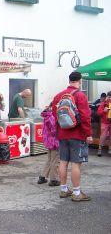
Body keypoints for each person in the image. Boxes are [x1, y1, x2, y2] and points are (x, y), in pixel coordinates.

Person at [52, 71, 92, 202]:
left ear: (69, 81)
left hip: (62, 134)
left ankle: (64, 190)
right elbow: (85, 116)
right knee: (76, 164)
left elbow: (54, 113)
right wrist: (89, 134)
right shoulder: (80, 95)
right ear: (79, 81)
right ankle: (76, 193)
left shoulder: (59, 95)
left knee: (63, 162)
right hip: (77, 134)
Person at [37, 103, 60, 186]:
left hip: (48, 141)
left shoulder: (47, 116)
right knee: (55, 161)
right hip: (55, 141)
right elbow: (54, 131)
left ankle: (42, 177)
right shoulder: (52, 117)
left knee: (50, 159)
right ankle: (54, 179)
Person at [96, 91, 111, 157]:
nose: (110, 98)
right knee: (103, 136)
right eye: (109, 97)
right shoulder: (103, 104)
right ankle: (99, 149)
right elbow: (98, 113)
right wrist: (103, 111)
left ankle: (110, 149)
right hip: (105, 122)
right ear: (107, 97)